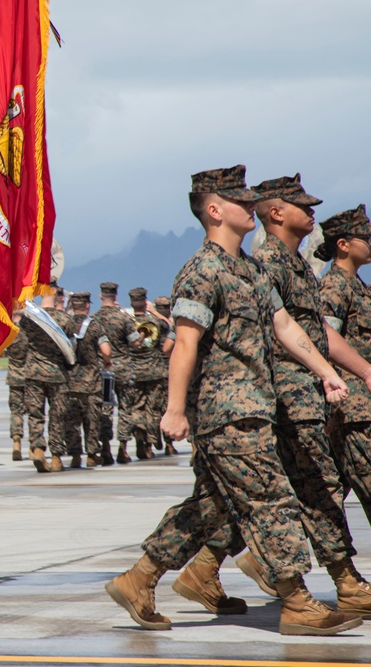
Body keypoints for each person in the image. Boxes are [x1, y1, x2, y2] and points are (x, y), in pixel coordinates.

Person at [105, 164, 361, 636]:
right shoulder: (202, 270)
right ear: (215, 210)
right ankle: (298, 601)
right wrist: (175, 409)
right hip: (226, 412)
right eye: (241, 202)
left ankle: (139, 579)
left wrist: (327, 373)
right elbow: (185, 343)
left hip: (255, 407)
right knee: (271, 500)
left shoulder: (248, 268)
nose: (251, 208)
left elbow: (287, 328)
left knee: (213, 507)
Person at [180, 175, 371, 618]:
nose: (312, 213)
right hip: (275, 400)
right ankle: (337, 584)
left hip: (287, 397)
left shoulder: (281, 263)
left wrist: (325, 375)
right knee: (297, 489)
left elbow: (297, 328)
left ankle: (196, 569)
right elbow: (296, 331)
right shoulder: (262, 262)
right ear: (277, 213)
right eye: (302, 206)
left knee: (252, 497)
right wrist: (352, 371)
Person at [320, 204, 371, 530]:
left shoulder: (357, 286)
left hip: (361, 407)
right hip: (353, 410)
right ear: (344, 244)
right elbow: (324, 342)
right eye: (366, 236)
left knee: (325, 493)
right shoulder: (335, 287)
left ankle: (256, 557)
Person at [19, 290, 78, 472]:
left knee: (35, 414)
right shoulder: (65, 320)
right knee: (57, 416)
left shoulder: (28, 319)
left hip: (34, 373)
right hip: (57, 374)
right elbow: (71, 347)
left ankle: (37, 449)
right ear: (59, 297)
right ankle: (56, 457)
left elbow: (22, 344)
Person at [90, 282, 138, 464]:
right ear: (116, 297)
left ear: (101, 297)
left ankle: (105, 448)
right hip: (123, 369)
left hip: (104, 370)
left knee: (105, 409)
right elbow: (135, 342)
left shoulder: (93, 319)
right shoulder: (123, 318)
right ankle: (123, 449)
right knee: (126, 409)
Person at [125, 287, 172, 460]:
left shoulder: (127, 322)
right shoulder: (156, 322)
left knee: (137, 407)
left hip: (135, 372)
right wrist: (154, 312)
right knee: (153, 409)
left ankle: (139, 436)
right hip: (154, 371)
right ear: (145, 302)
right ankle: (150, 444)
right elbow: (169, 325)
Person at [63, 291, 104, 468]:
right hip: (92, 382)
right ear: (87, 305)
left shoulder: (65, 325)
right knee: (92, 419)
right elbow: (107, 351)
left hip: (71, 381)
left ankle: (75, 455)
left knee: (72, 421)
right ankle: (92, 455)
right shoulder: (95, 326)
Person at [152, 296, 180, 456]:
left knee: (154, 406)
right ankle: (169, 443)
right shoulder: (171, 324)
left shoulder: (150, 322)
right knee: (166, 406)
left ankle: (153, 438)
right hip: (169, 370)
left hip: (154, 369)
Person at [5, 310, 29, 460]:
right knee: (34, 412)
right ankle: (34, 447)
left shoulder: (10, 333)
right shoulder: (29, 333)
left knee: (16, 412)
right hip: (30, 377)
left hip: (14, 377)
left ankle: (16, 442)